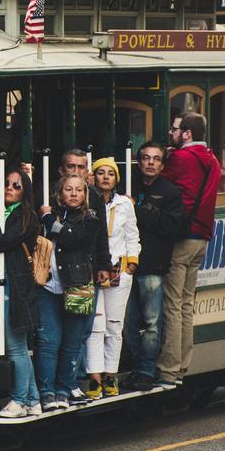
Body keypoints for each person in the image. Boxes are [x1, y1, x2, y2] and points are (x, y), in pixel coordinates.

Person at [35, 173, 110, 411]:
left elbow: (72, 238)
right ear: (60, 193)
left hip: (77, 286)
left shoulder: (90, 218)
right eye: (68, 189)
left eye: (79, 190)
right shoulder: (49, 214)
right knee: (48, 342)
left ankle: (63, 390)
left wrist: (49, 219)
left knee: (72, 342)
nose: (74, 194)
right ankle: (46, 392)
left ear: (85, 194)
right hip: (48, 286)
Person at [159, 112, 220, 385]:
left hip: (183, 238)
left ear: (187, 134)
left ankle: (169, 366)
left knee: (172, 304)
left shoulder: (181, 159)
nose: (170, 133)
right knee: (186, 303)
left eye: (175, 130)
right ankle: (183, 363)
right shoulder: (211, 159)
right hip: (202, 239)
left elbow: (160, 180)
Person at [125, 142, 187, 391]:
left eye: (156, 159)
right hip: (128, 265)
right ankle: (134, 366)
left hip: (153, 264)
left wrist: (136, 210)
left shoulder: (170, 193)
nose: (150, 163)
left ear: (162, 164)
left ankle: (146, 369)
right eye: (146, 158)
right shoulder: (129, 186)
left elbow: (172, 227)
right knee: (127, 321)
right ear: (139, 162)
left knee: (152, 323)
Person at [0, 166, 43, 418]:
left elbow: (2, 242)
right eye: (7, 183)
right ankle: (32, 400)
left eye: (16, 185)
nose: (9, 188)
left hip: (10, 283)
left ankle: (19, 400)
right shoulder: (2, 210)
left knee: (15, 347)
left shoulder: (25, 216)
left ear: (24, 192)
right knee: (16, 346)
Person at [86, 158, 139, 399]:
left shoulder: (125, 205)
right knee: (96, 327)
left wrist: (130, 266)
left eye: (110, 173)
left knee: (114, 326)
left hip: (119, 271)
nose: (106, 177)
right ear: (93, 177)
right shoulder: (88, 201)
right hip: (95, 271)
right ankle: (94, 377)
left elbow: (132, 237)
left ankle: (111, 375)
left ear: (116, 179)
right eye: (100, 173)